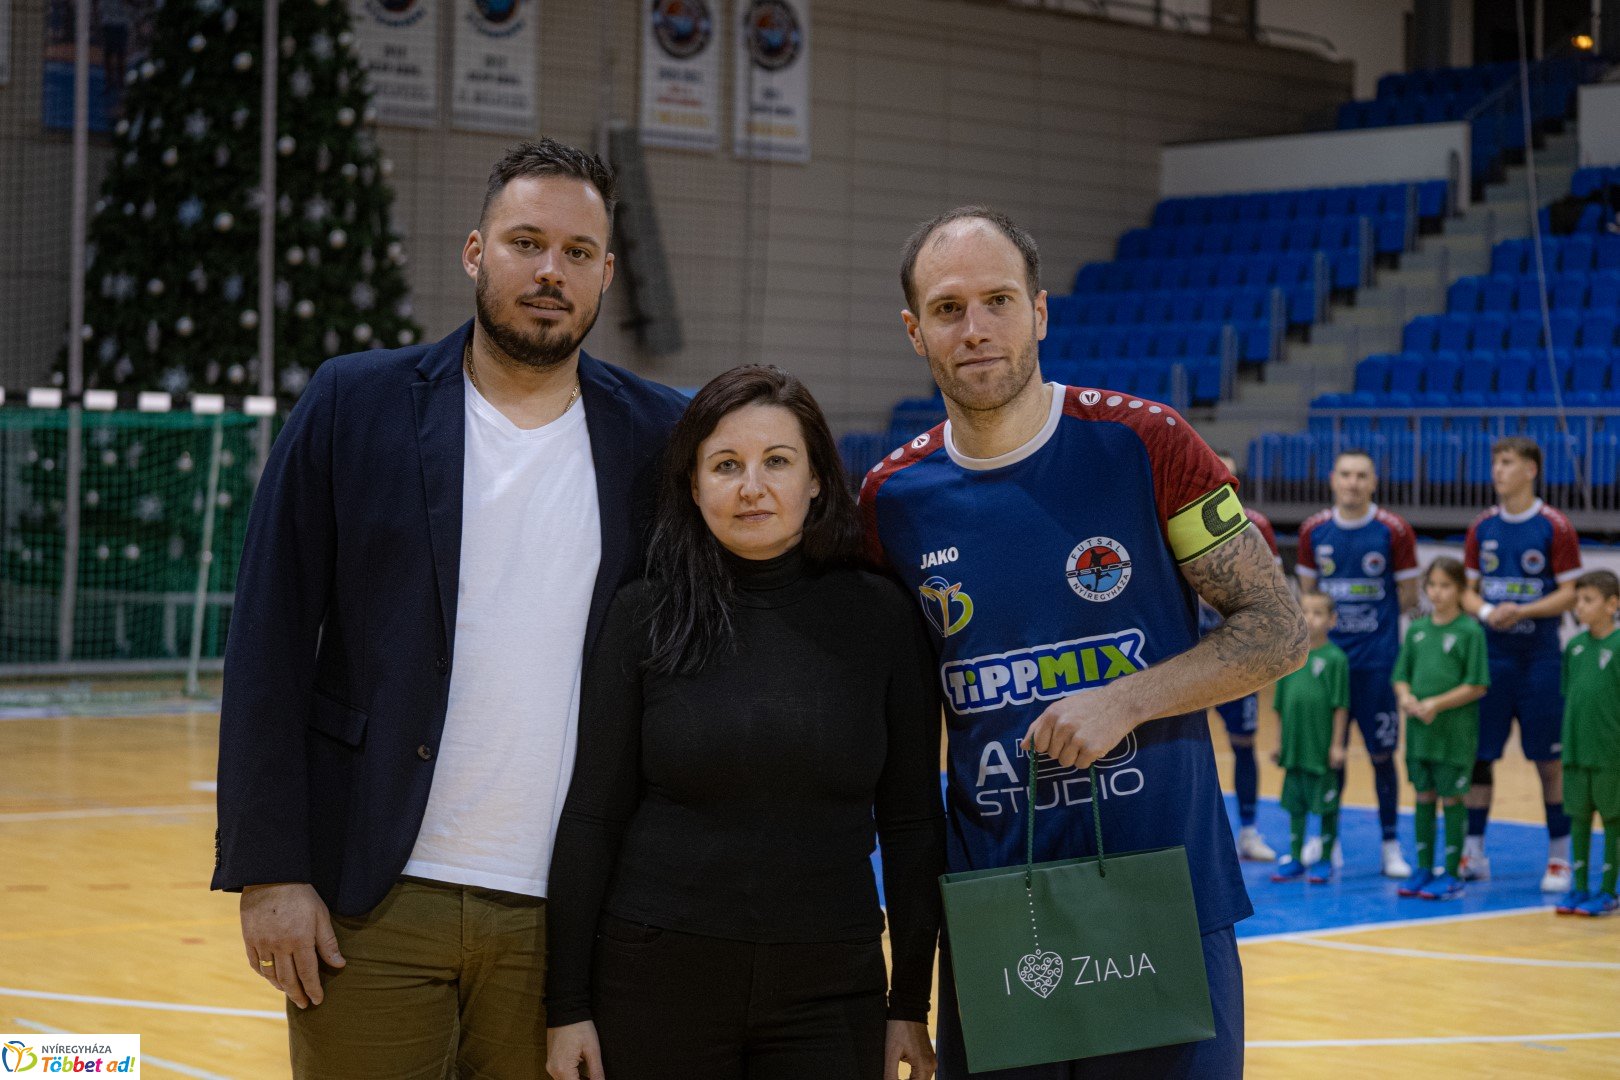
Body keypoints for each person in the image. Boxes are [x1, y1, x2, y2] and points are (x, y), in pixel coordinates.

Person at [211, 138, 689, 1079]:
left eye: (578, 252)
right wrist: (270, 870)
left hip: (569, 911)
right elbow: (268, 640)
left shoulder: (661, 434)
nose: (550, 271)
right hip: (370, 895)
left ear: (604, 275)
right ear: (476, 252)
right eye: (526, 242)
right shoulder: (354, 403)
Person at [861, 205, 1307, 1080]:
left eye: (998, 300)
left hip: (1162, 895)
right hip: (1000, 914)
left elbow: (1278, 629)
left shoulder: (1146, 443)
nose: (976, 328)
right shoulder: (891, 501)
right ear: (916, 332)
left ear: (1040, 312)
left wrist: (1125, 701)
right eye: (948, 309)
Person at [544, 365, 945, 1080]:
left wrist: (910, 1001)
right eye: (726, 465)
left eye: (777, 462)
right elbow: (592, 819)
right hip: (654, 979)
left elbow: (912, 822)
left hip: (832, 987)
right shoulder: (643, 614)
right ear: (694, 485)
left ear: (816, 479)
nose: (751, 487)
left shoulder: (881, 616)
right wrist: (566, 1004)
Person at [1460, 436, 1583, 891]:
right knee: (1480, 755)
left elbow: (1570, 594)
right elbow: (1468, 590)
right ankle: (1473, 851)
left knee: (1549, 761)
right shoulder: (1482, 526)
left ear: (1531, 470)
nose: (1498, 470)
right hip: (1492, 660)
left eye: (1507, 462)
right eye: (1495, 462)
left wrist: (1523, 611)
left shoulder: (1555, 526)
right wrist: (1488, 612)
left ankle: (1559, 857)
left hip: (1540, 660)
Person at [1295, 449, 1419, 878]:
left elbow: (1409, 597)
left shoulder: (1393, 530)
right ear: (1333, 479)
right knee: (1326, 756)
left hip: (1376, 665)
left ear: (1373, 482)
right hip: (1327, 666)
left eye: (1361, 475)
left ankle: (1390, 845)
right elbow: (1309, 597)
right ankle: (1325, 839)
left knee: (1382, 755)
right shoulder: (1314, 530)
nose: (1352, 482)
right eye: (1346, 474)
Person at [1392, 558, 1489, 901]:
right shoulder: (1417, 630)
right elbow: (1401, 676)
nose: (1437, 592)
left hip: (1454, 733)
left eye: (1446, 585)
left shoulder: (1470, 631)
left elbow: (1477, 685)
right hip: (1420, 733)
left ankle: (1451, 872)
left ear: (1461, 590)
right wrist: (1406, 698)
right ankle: (1423, 868)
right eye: (1432, 585)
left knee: (1452, 797)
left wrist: (1436, 704)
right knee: (1423, 794)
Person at [1205, 452, 1283, 862]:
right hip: (1188, 651)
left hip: (1238, 653)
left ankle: (1249, 831)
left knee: (1243, 742)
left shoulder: (1256, 525)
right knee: (1184, 746)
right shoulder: (1171, 519)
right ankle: (1192, 837)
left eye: (1228, 477)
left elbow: (1272, 589)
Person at [1269, 592, 1348, 885]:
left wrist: (1337, 745)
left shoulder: (1336, 659)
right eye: (1305, 611)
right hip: (1295, 746)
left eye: (1318, 613)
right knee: (1295, 803)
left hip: (1321, 747)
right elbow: (1278, 706)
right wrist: (1278, 742)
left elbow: (1341, 707)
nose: (1310, 618)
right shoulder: (1288, 656)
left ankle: (1325, 858)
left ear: (1332, 620)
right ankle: (1295, 856)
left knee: (1326, 804)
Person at [1554, 569, 1620, 917]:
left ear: (1612, 604)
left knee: (1613, 819)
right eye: (1577, 600)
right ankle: (1578, 887)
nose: (1579, 606)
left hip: (1610, 752)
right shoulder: (1575, 647)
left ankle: (1609, 890)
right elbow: (1571, 695)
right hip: (1577, 748)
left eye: (1588, 600)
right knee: (1578, 817)